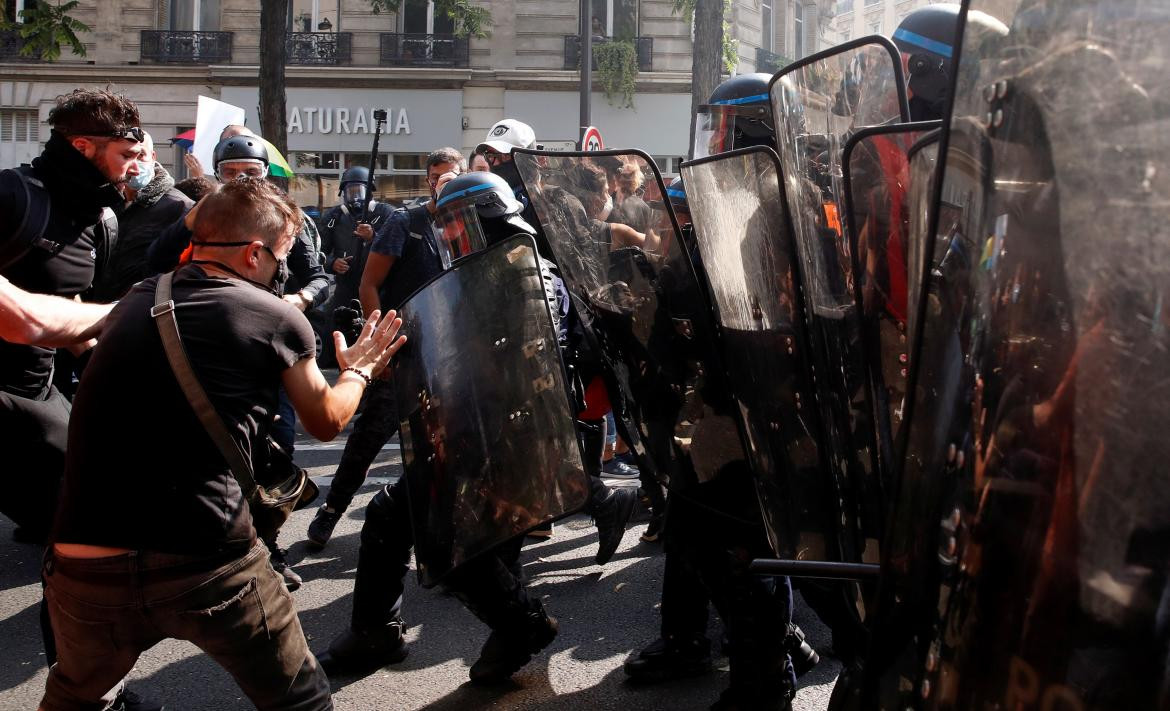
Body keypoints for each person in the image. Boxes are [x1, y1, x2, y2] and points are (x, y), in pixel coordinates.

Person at [41, 177, 406, 711]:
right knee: (300, 701)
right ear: (256, 253)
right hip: (206, 560)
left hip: (82, 560)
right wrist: (362, 372)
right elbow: (326, 421)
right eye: (283, 255)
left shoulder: (136, 298)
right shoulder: (276, 315)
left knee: (77, 699)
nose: (284, 269)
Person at [318, 171, 572, 684]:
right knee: (437, 531)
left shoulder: (519, 274)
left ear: (483, 218)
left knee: (448, 537)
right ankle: (397, 632)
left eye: (456, 224)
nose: (449, 236)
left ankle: (518, 624)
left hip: (499, 436)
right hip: (486, 432)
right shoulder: (497, 266)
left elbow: (514, 364)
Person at [146, 133, 332, 589]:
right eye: (231, 174)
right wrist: (198, 212)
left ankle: (268, 544)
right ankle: (219, 547)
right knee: (216, 451)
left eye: (251, 172)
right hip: (211, 348)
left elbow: (320, 277)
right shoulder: (203, 216)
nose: (242, 181)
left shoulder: (292, 221)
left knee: (277, 449)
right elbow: (155, 260)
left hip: (271, 349)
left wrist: (300, 299)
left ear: (266, 174)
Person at [306, 147, 462, 549]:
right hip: (401, 349)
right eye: (441, 177)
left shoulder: (468, 224)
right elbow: (369, 284)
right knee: (368, 439)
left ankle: (436, 531)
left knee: (440, 447)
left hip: (447, 356)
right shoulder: (405, 222)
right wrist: (381, 347)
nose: (447, 184)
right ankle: (330, 513)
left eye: (455, 177)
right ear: (429, 180)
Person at [92, 130, 194, 302]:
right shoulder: (102, 203)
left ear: (153, 157)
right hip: (96, 308)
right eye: (127, 156)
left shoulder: (179, 207)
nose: (134, 165)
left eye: (141, 156)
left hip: (142, 312)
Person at [315, 165, 394, 366]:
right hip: (345, 288)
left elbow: (396, 249)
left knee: (375, 330)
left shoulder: (386, 214)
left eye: (360, 191)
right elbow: (319, 252)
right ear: (342, 193)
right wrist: (333, 263)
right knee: (333, 331)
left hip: (378, 289)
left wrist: (373, 237)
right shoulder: (334, 217)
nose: (355, 197)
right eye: (350, 192)